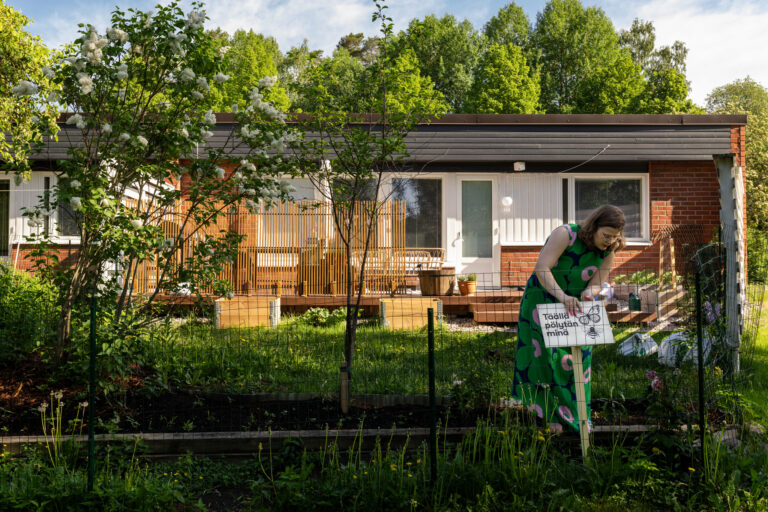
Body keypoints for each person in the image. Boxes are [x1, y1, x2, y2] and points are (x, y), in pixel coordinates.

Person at [511, 205, 626, 432]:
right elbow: (542, 268)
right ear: (594, 226)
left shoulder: (609, 250)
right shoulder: (566, 234)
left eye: (615, 236)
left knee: (579, 359)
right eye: (606, 235)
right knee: (546, 358)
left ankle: (577, 415)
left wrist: (589, 293)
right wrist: (562, 297)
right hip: (543, 298)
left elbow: (597, 283)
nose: (610, 241)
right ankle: (548, 415)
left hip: (575, 305)